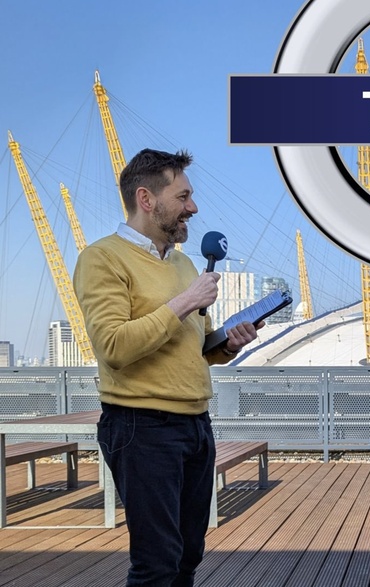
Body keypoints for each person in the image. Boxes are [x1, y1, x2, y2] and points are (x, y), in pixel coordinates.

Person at [73, 148, 262, 587]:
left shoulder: (183, 263)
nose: (193, 208)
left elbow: (199, 346)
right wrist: (185, 301)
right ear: (147, 199)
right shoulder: (102, 259)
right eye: (183, 197)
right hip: (142, 427)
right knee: (157, 562)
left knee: (188, 555)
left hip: (196, 424)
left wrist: (229, 343)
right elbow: (114, 346)